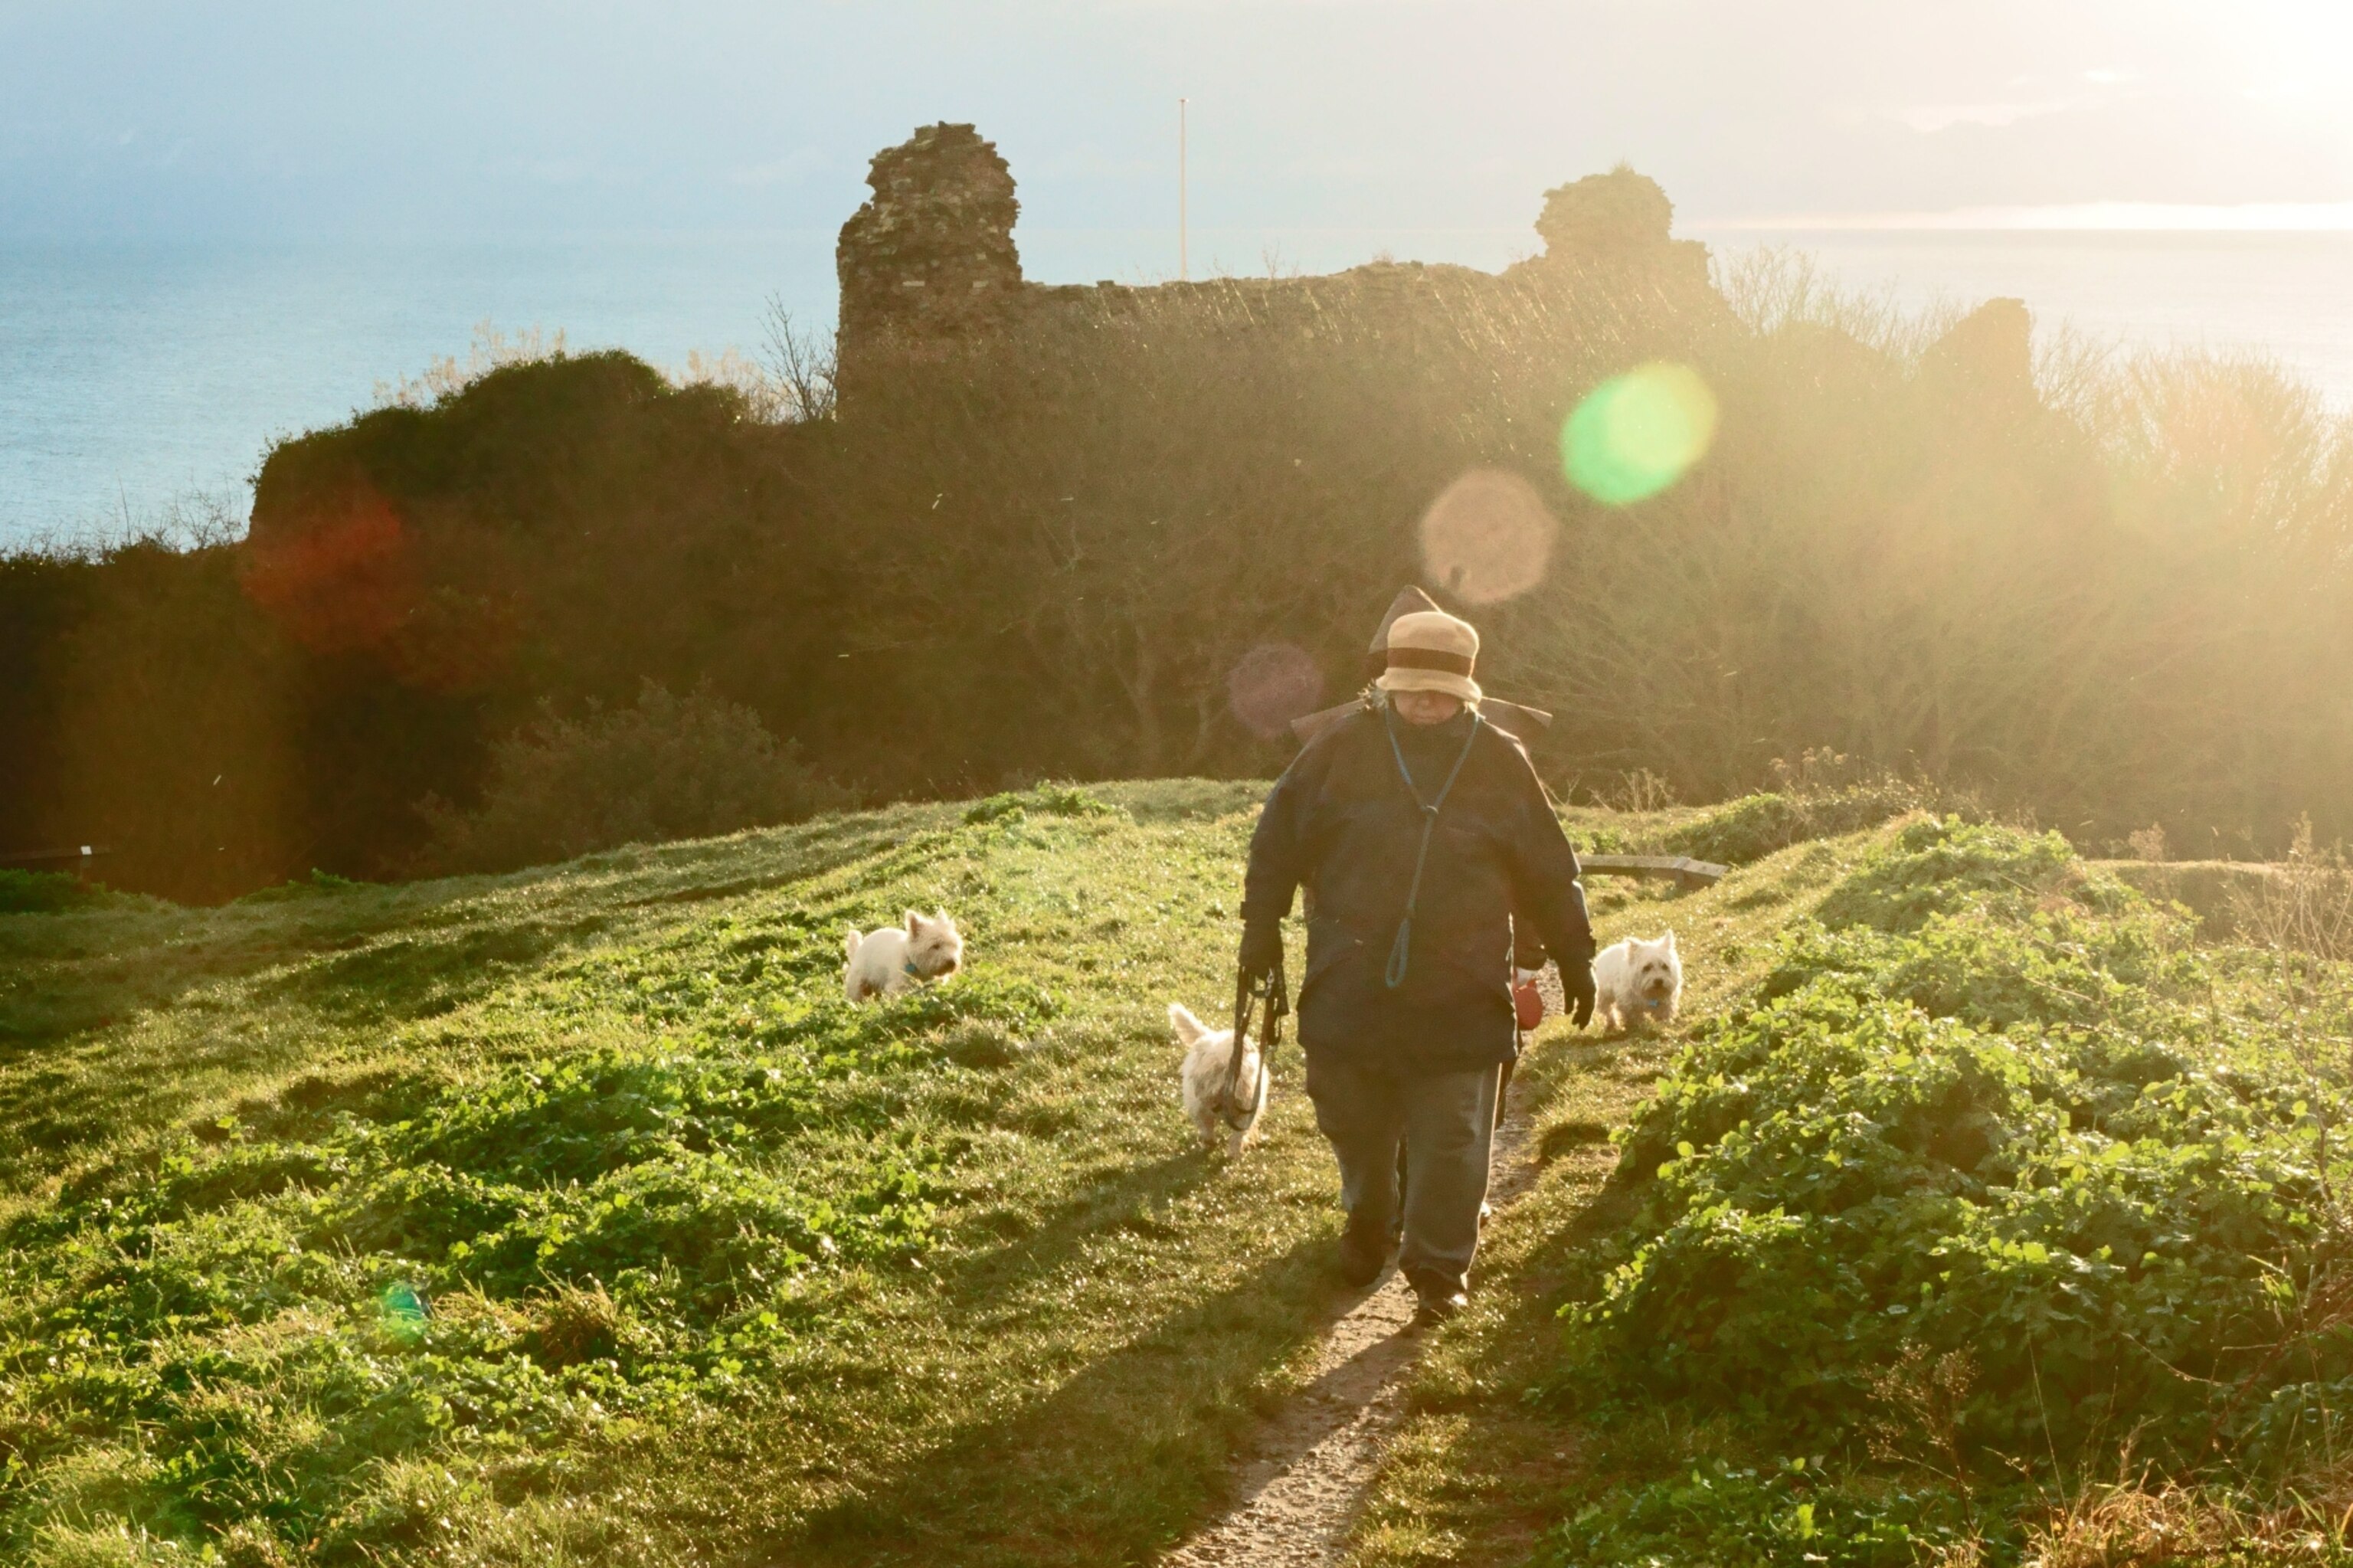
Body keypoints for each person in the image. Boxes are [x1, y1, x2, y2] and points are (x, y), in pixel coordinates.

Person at [1239, 607, 1596, 1324]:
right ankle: (1370, 1217)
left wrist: (1575, 954)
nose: (1425, 701)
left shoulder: (1500, 759)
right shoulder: (1340, 749)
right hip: (1351, 975)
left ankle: (1438, 1266)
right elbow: (1278, 836)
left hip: (1463, 980)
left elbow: (1549, 868)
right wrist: (1261, 928)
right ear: (1387, 684)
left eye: (1440, 690)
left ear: (1465, 691)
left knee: (1457, 1131)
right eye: (1412, 688)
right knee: (1351, 1112)